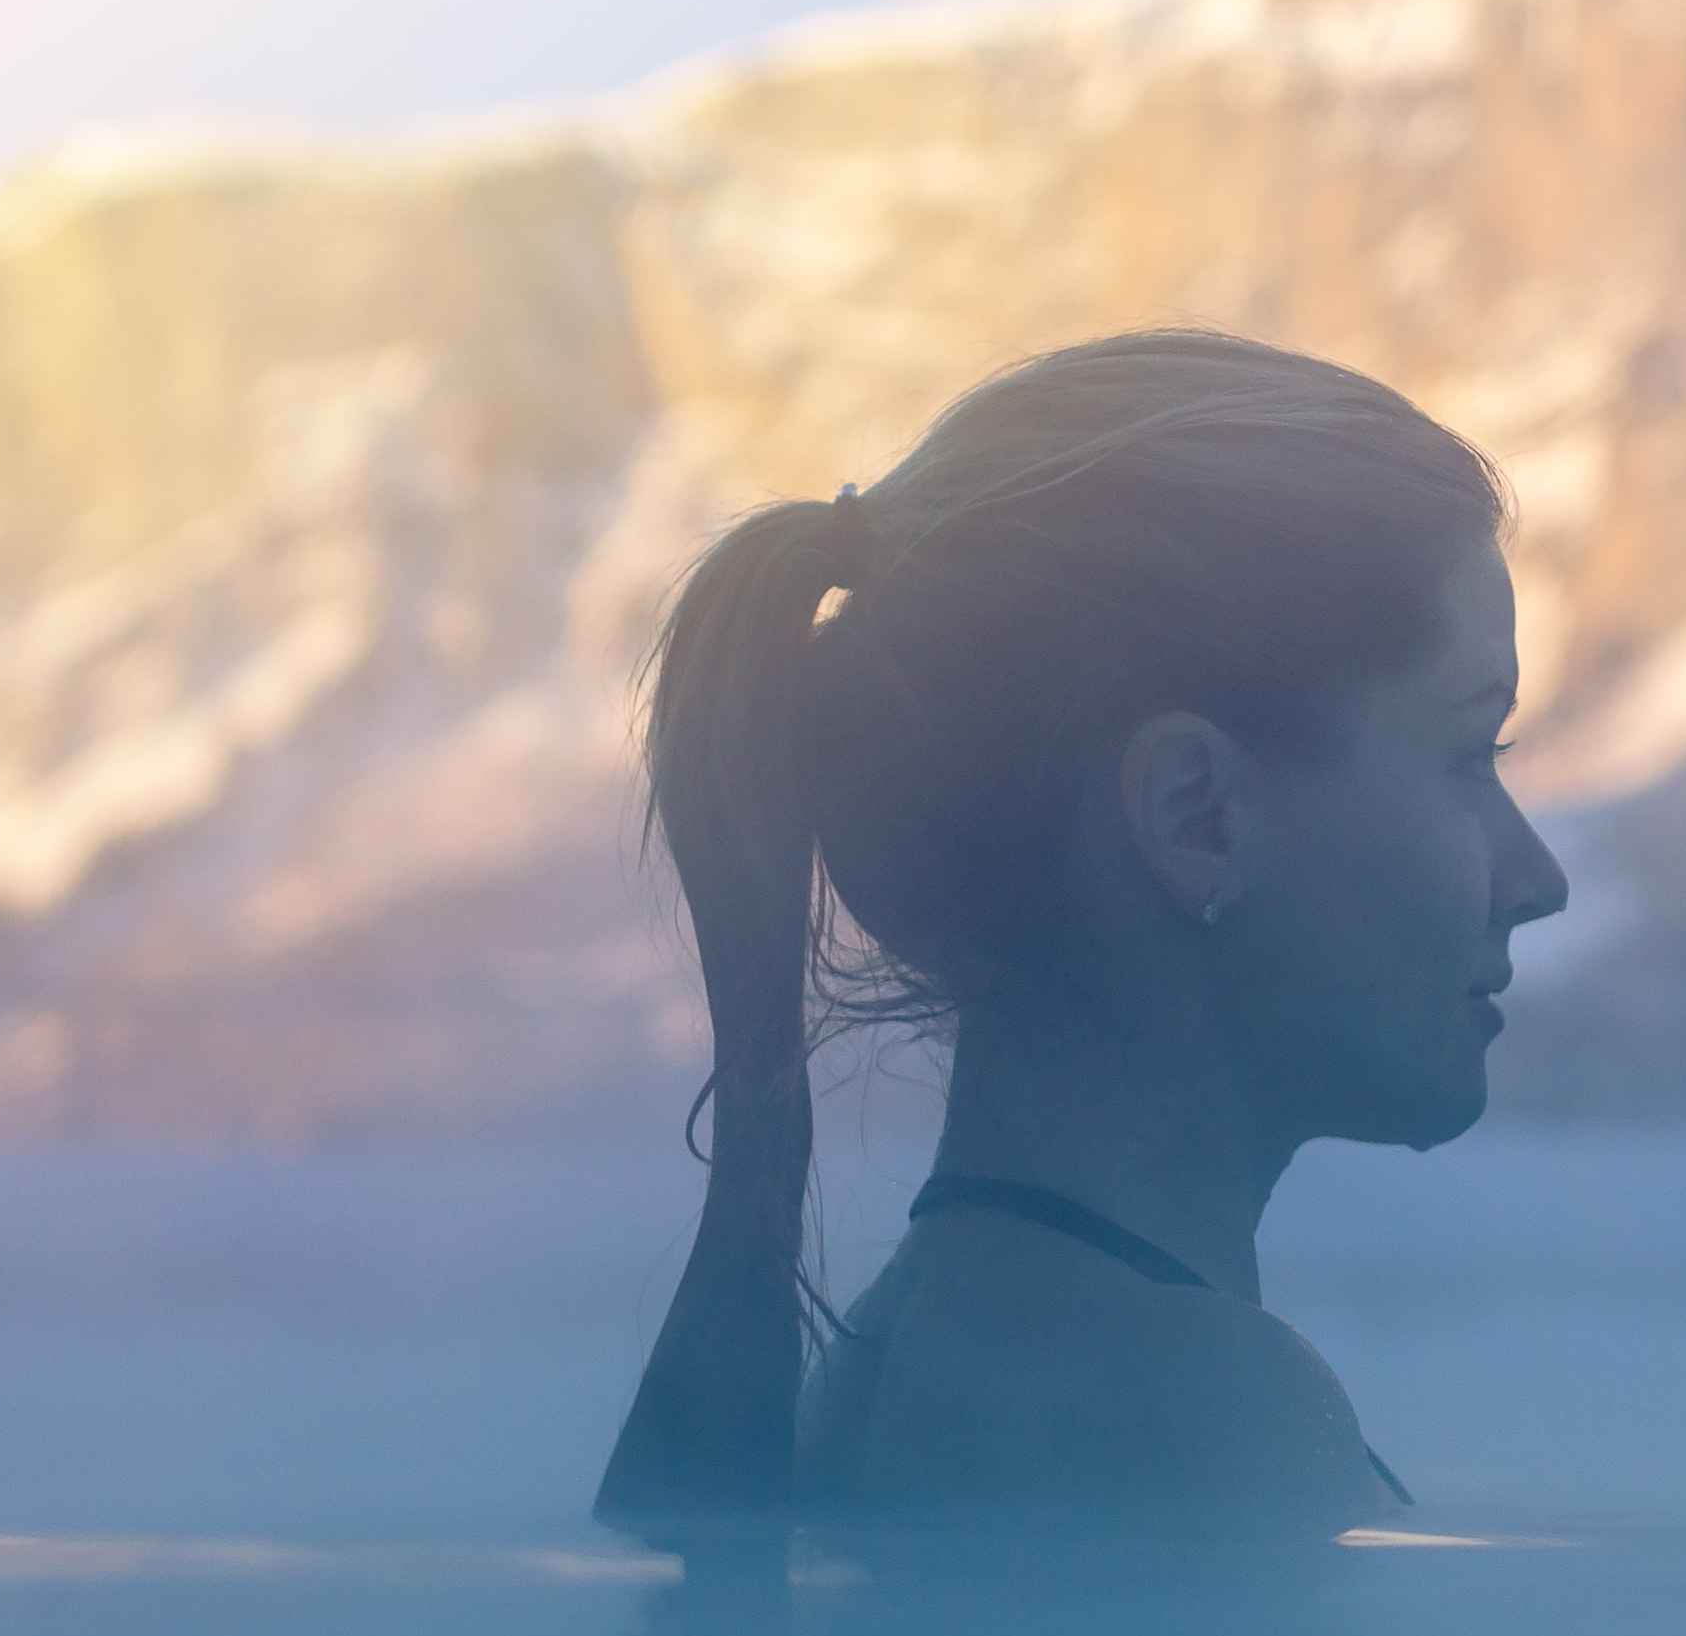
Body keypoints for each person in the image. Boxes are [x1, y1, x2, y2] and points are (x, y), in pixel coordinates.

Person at [596, 328, 1568, 1543]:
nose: (1540, 878)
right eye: (1470, 753)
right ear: (1196, 815)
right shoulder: (1194, 1424)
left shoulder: (917, 1358)